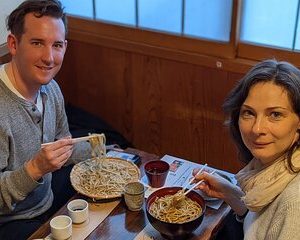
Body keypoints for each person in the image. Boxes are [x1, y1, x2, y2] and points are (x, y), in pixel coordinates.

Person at [0, 1, 92, 239]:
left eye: (57, 45)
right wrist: (35, 168)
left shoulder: (51, 89)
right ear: (13, 44)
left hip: (46, 199)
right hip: (9, 221)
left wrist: (104, 151)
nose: (49, 57)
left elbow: (64, 145)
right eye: (37, 43)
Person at [193, 59, 300, 240]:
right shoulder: (270, 170)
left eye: (275, 114)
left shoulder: (294, 203)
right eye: (249, 113)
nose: (257, 129)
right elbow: (262, 225)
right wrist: (230, 193)